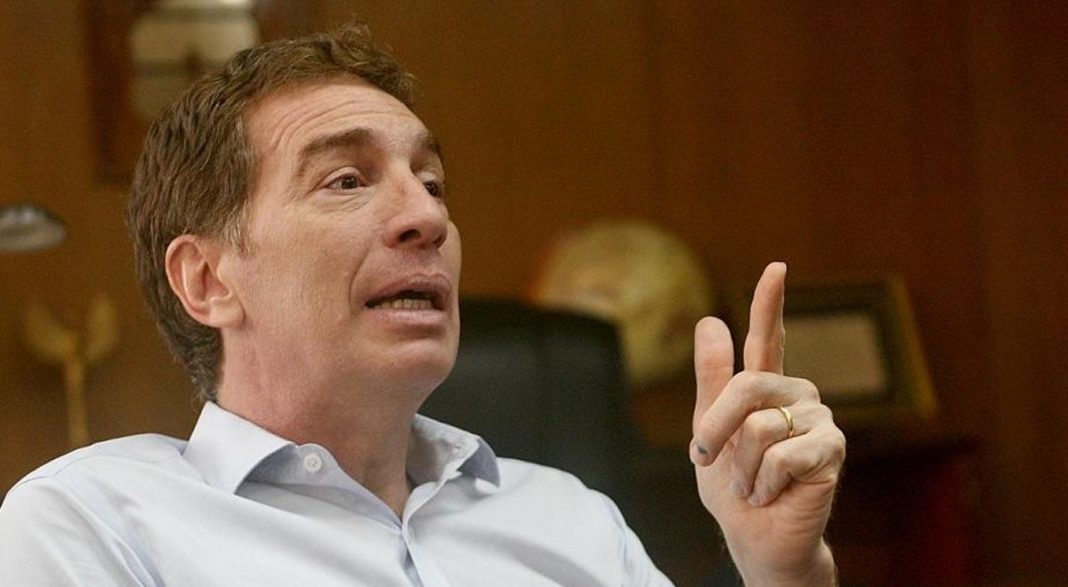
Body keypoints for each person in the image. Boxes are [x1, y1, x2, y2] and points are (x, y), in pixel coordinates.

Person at [0, 22, 845, 586]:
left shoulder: (573, 518)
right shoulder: (98, 523)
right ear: (208, 281)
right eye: (346, 180)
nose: (428, 217)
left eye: (432, 182)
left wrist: (783, 572)